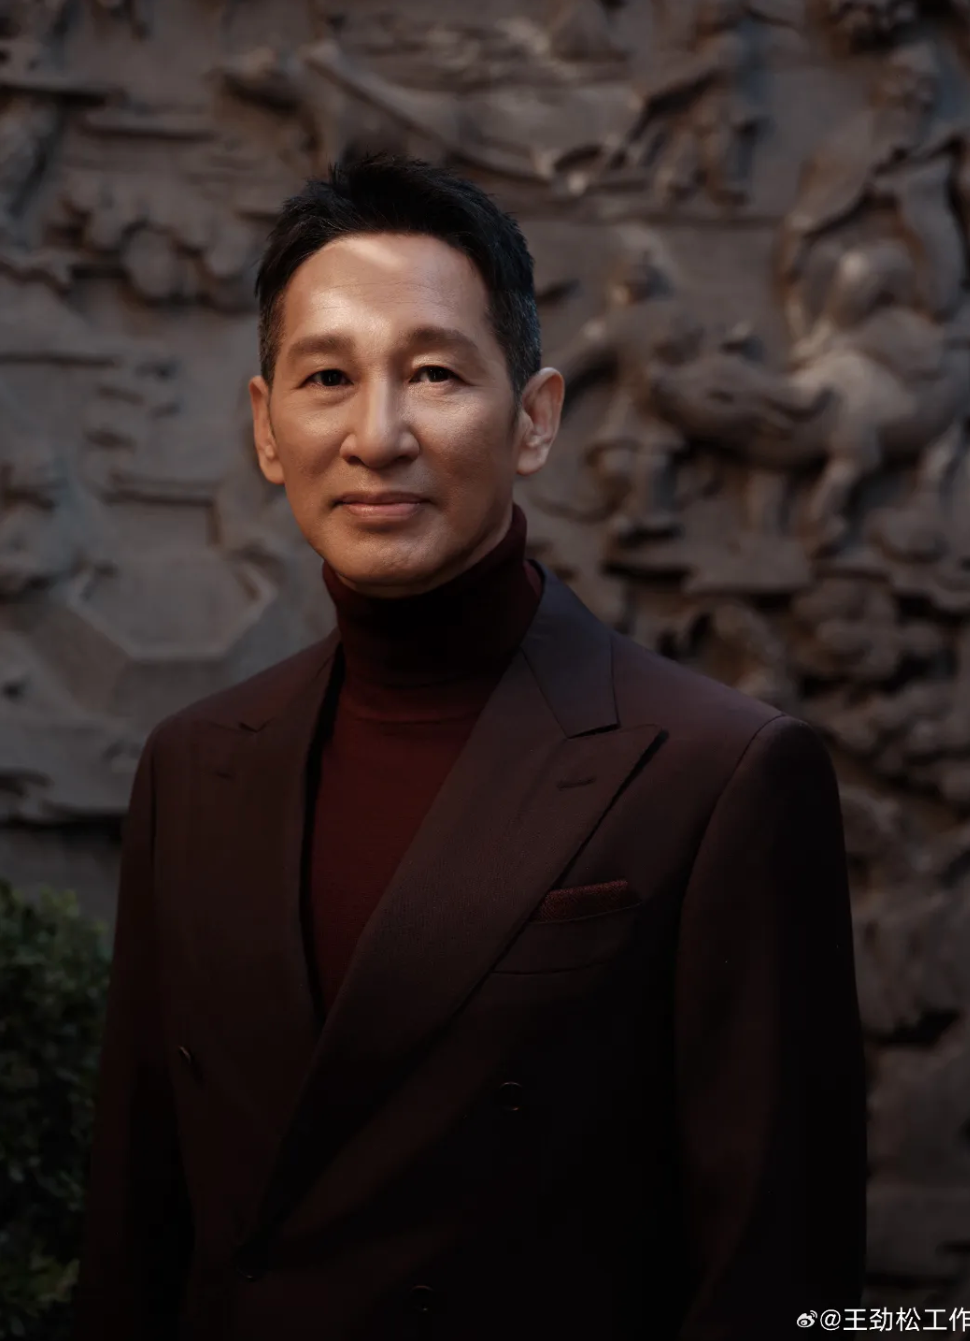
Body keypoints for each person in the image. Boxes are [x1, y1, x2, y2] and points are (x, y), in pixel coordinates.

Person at [72, 154, 866, 1341]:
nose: (377, 435)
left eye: (434, 373)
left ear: (532, 418)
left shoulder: (722, 774)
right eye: (327, 378)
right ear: (267, 428)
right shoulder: (193, 765)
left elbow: (778, 1275)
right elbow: (137, 1238)